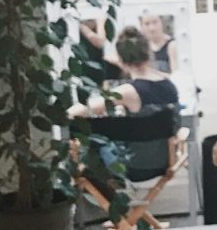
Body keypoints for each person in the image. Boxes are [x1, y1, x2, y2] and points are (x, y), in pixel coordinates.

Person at [68, 26, 180, 182]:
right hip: (165, 161)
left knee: (89, 140)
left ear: (120, 59)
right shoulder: (168, 83)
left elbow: (80, 111)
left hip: (135, 168)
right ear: (149, 53)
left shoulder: (129, 91)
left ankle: (99, 193)